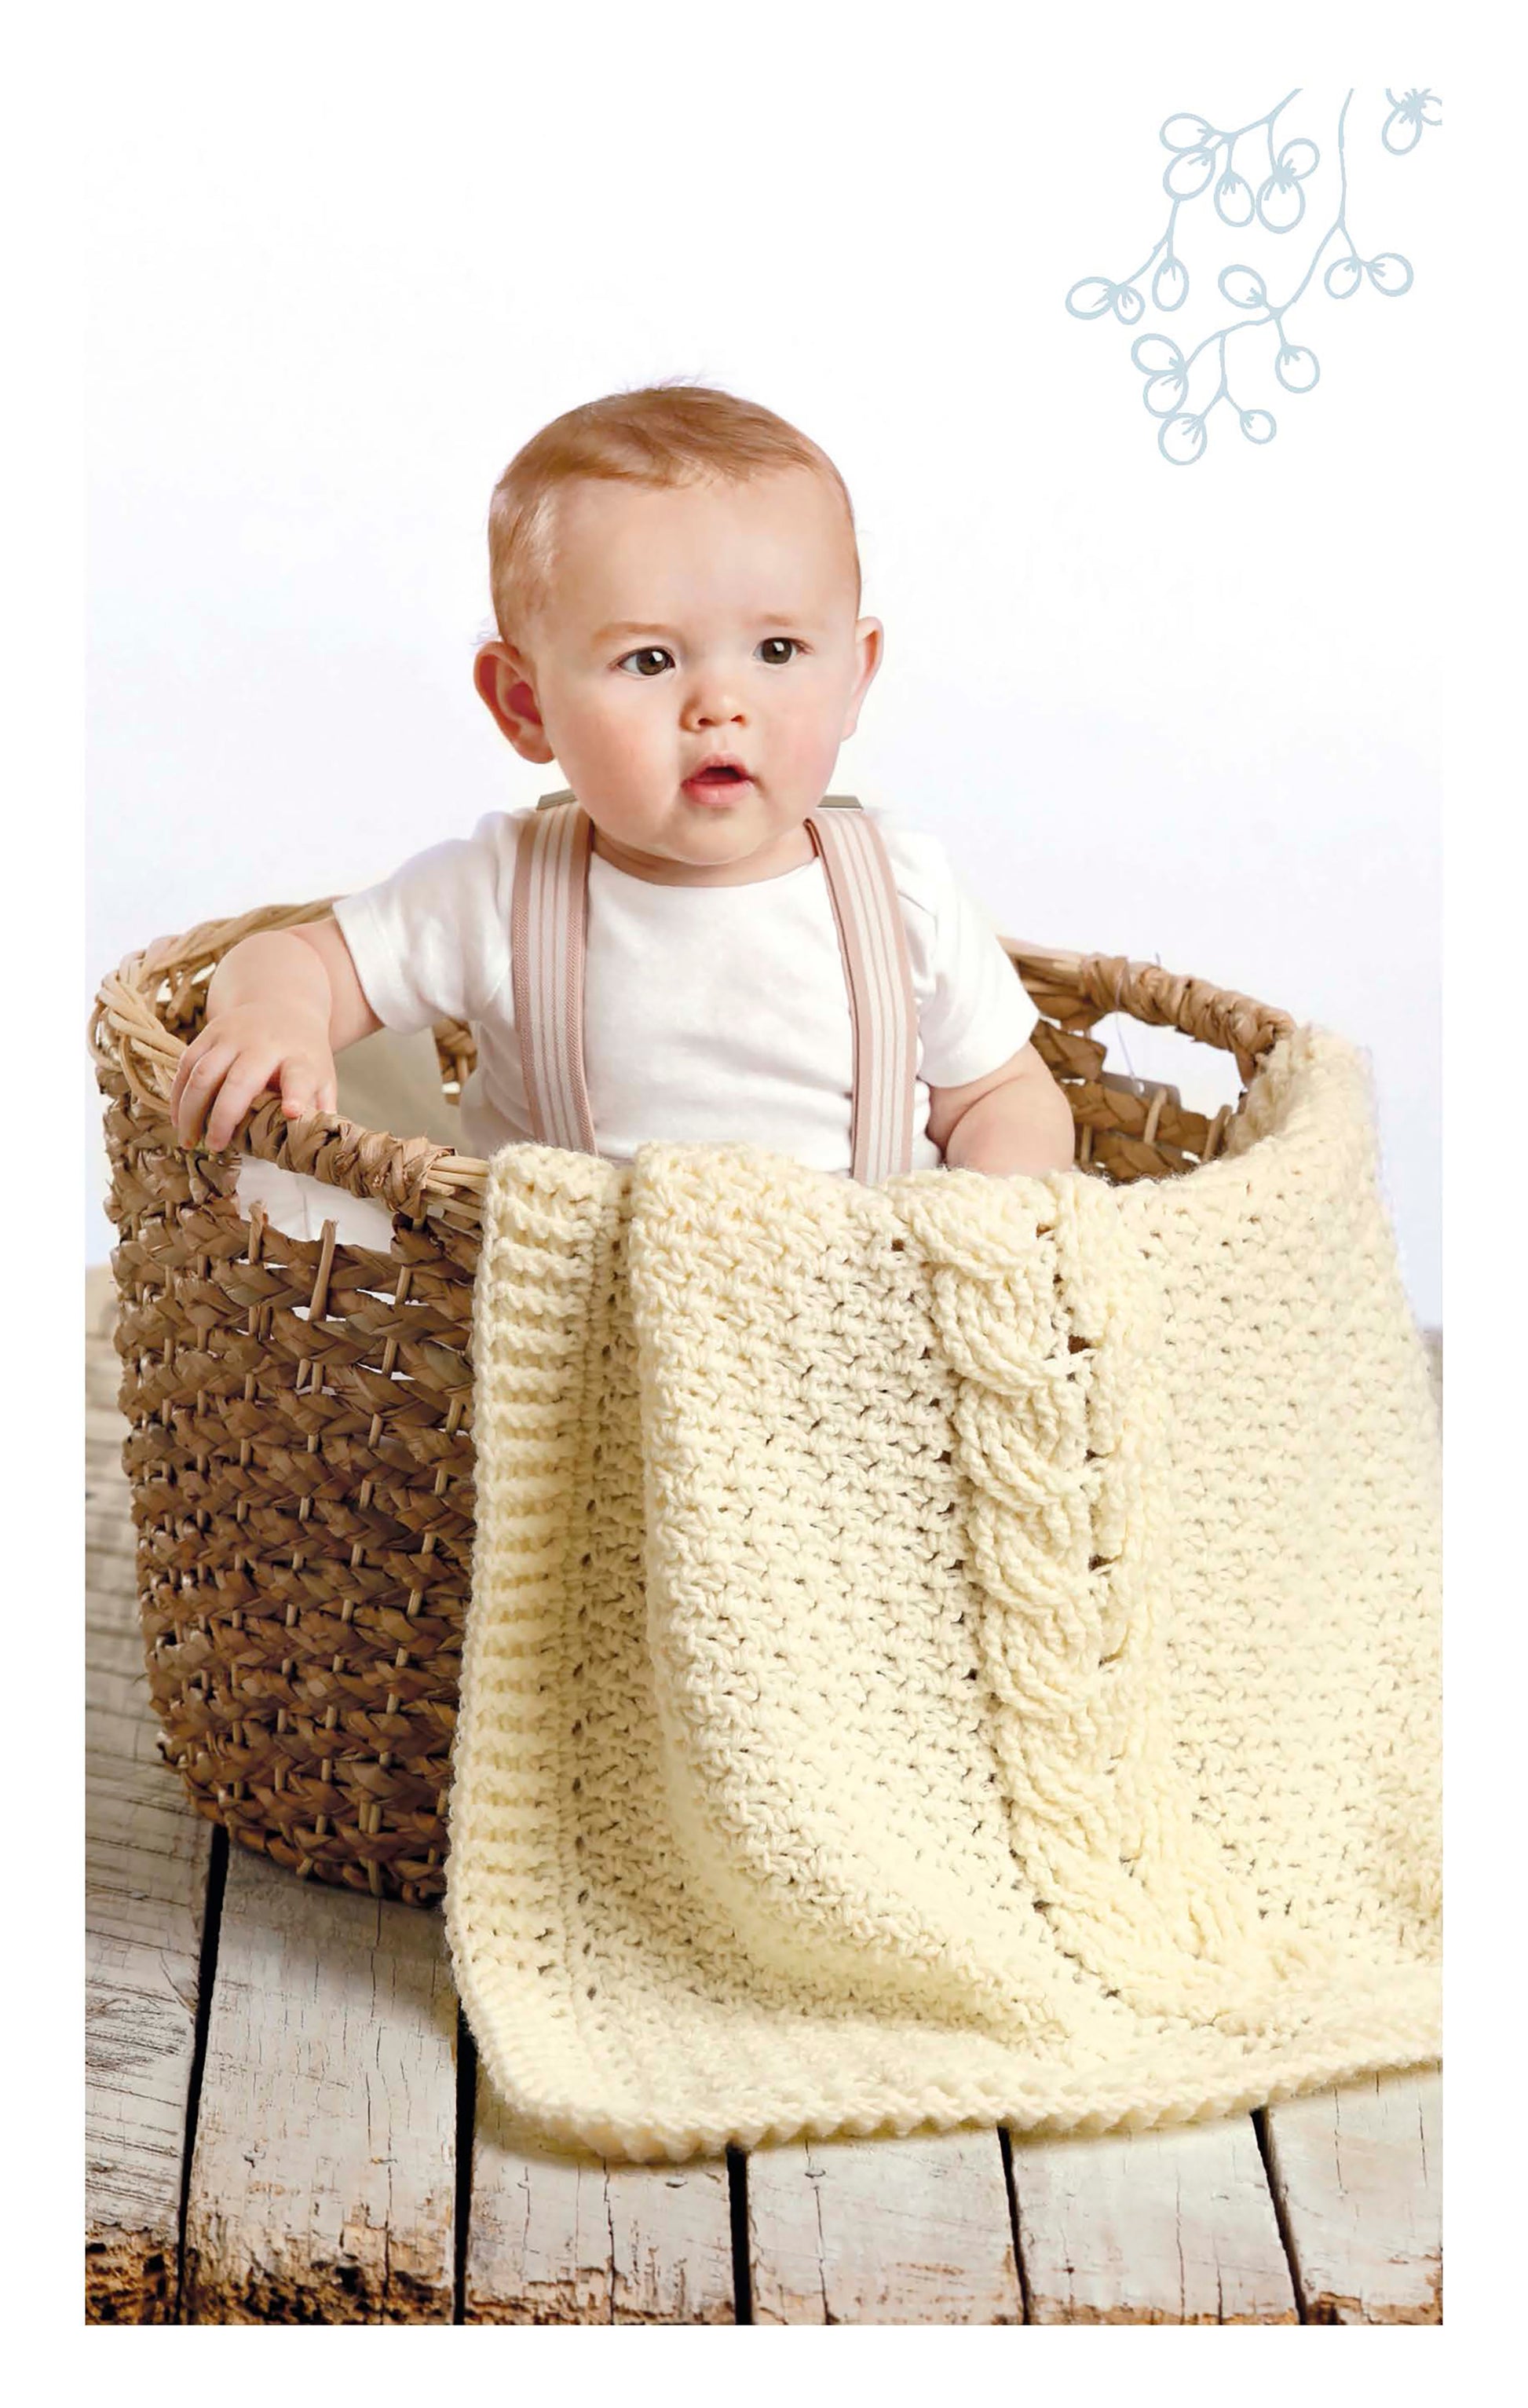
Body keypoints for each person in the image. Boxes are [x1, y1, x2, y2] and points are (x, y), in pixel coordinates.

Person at [168, 382, 1077, 1215]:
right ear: (525, 704)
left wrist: (992, 1221)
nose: (720, 705)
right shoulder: (500, 892)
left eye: (776, 652)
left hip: (857, 1341)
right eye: (649, 660)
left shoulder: (899, 892)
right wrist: (274, 1017)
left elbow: (998, 1094)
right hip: (580, 1347)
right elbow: (297, 960)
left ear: (853, 677)